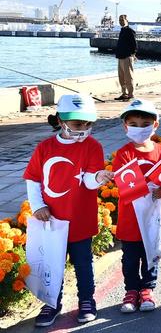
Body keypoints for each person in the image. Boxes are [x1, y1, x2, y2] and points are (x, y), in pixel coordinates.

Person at [23, 94, 114, 327]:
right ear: (61, 121)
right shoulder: (45, 148)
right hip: (52, 221)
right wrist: (38, 206)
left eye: (88, 124)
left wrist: (98, 177)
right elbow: (33, 179)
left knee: (83, 263)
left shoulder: (93, 146)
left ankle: (87, 300)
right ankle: (52, 302)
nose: (83, 129)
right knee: (53, 264)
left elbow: (88, 180)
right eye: (77, 124)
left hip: (80, 219)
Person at [112, 99, 161, 314]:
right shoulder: (123, 153)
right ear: (125, 127)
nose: (139, 128)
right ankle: (131, 290)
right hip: (130, 218)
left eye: (145, 124)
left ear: (155, 125)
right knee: (130, 258)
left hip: (153, 218)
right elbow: (124, 182)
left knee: (151, 255)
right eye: (133, 124)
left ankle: (147, 289)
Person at [115, 14, 137, 101]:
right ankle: (124, 93)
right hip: (120, 56)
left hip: (127, 57)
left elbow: (134, 44)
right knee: (121, 77)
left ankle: (131, 94)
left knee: (128, 76)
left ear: (126, 21)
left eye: (122, 20)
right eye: (120, 20)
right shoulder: (122, 30)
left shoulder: (129, 31)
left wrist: (133, 54)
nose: (121, 22)